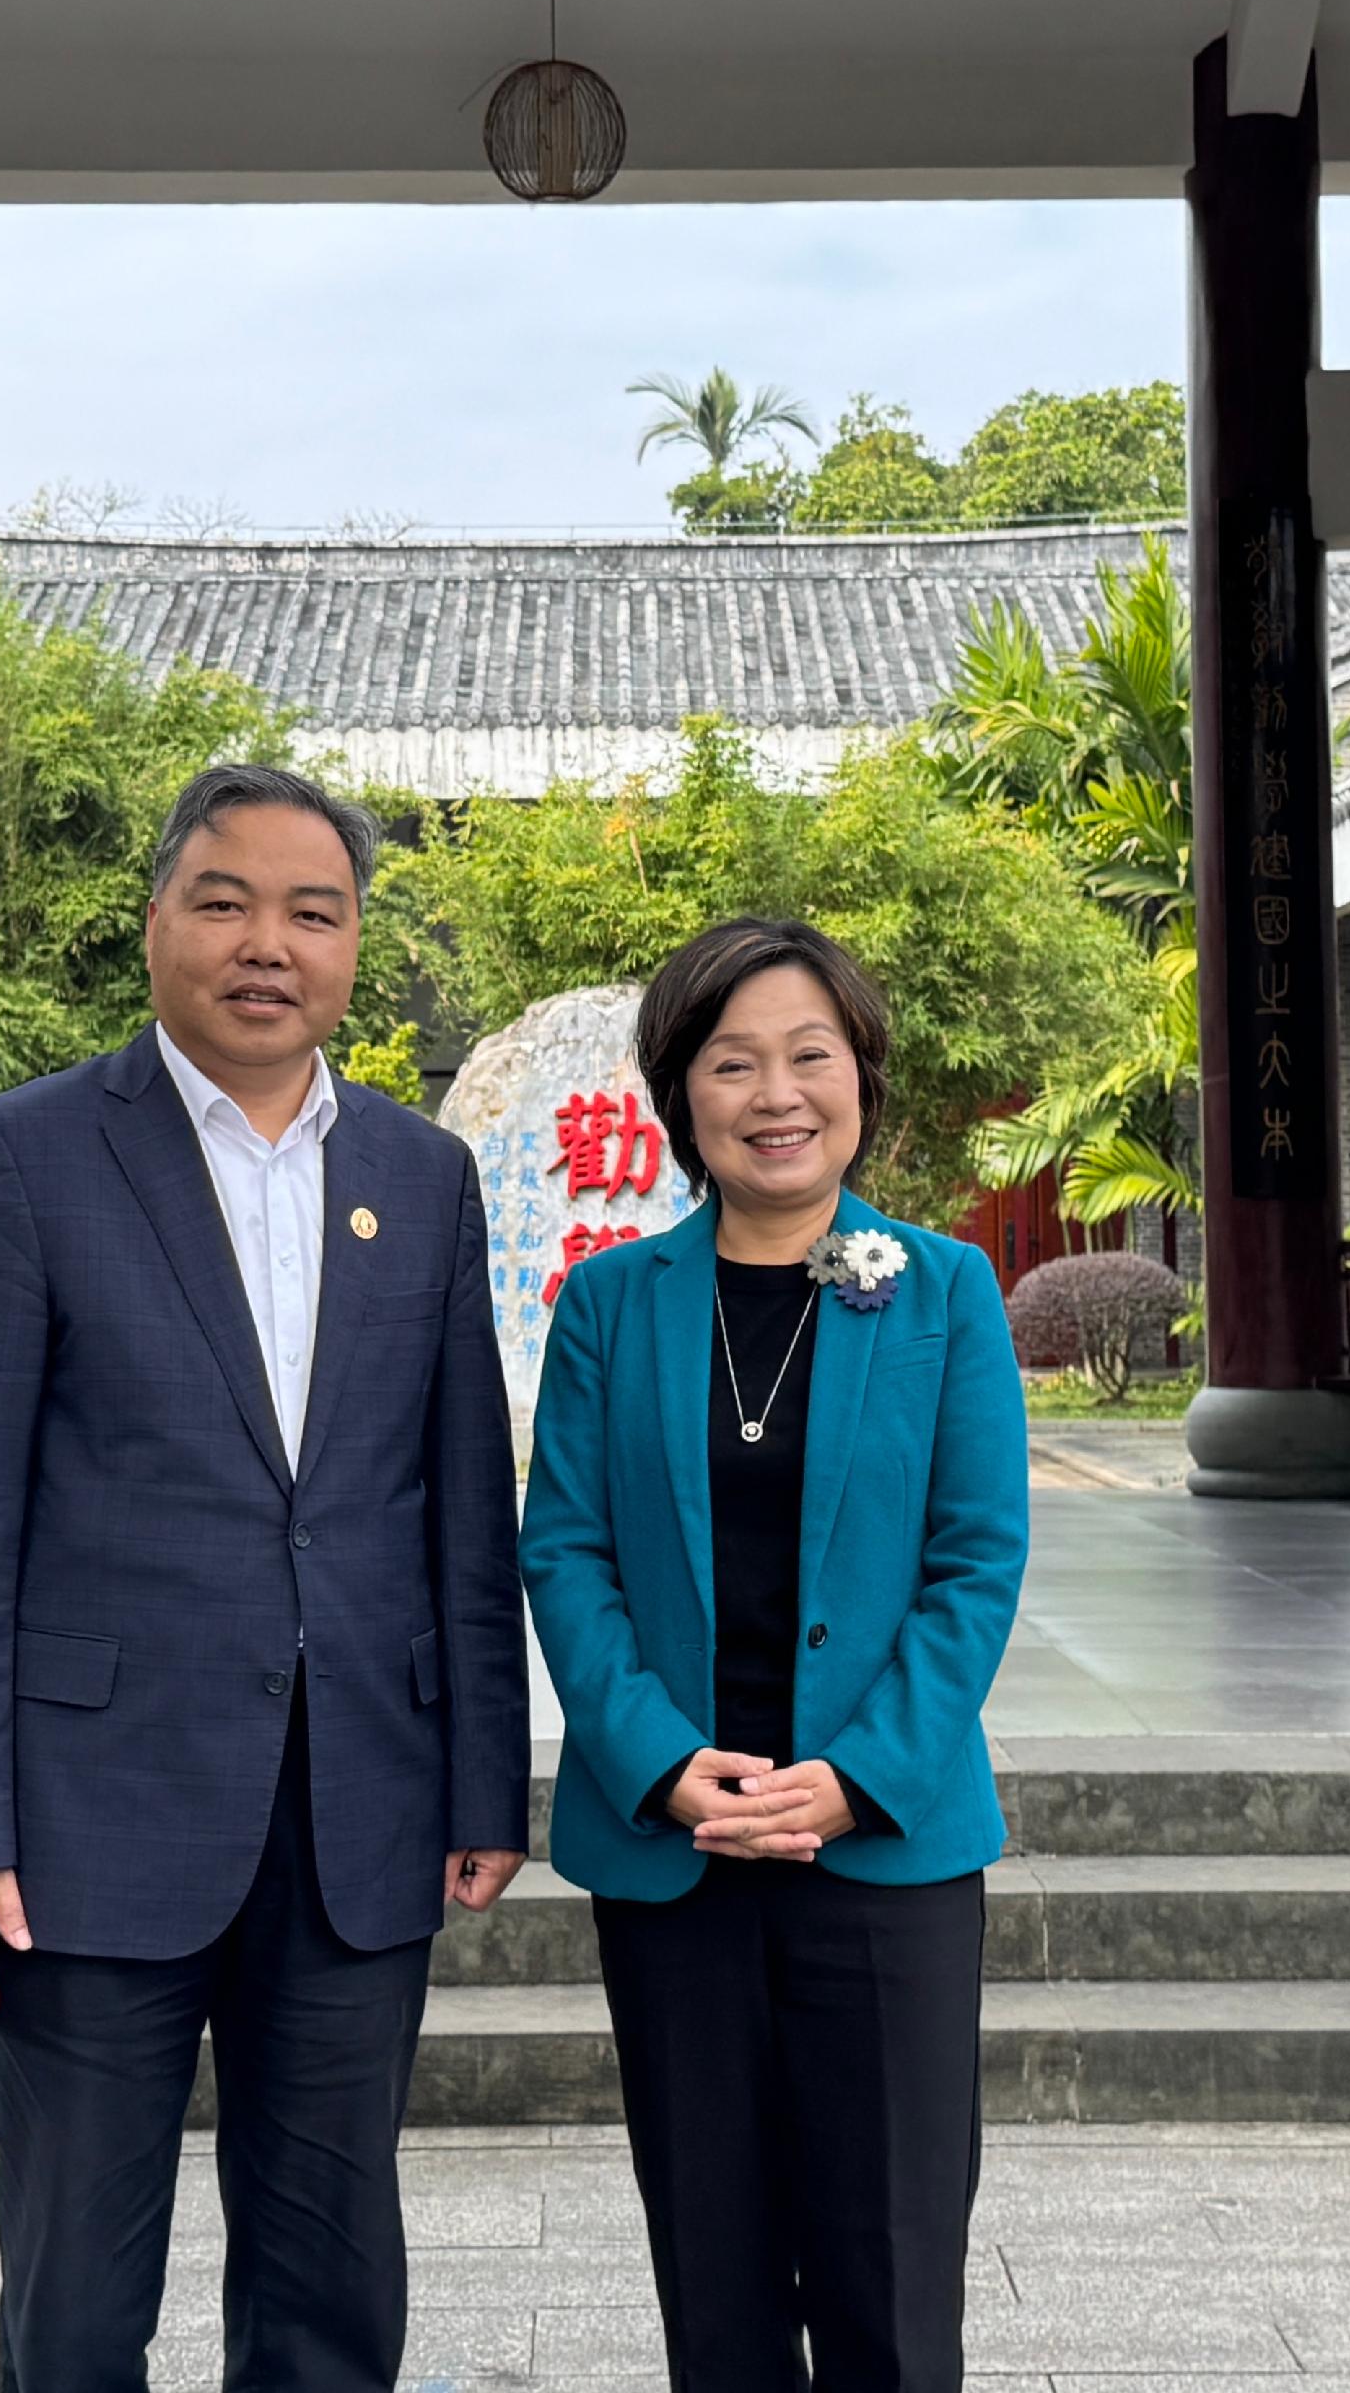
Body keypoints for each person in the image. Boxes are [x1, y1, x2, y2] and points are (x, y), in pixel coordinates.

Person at [0, 762, 529, 2393]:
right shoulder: (23, 1157)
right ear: (157, 920)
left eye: (311, 913)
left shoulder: (419, 1174)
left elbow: (457, 1504)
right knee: (82, 2304)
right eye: (224, 901)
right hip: (88, 1824)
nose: (268, 944)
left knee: (329, 2293)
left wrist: (481, 1780)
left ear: (354, 945)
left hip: (358, 1819)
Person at [520, 916, 1031, 2393]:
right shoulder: (614, 1304)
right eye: (732, 1061)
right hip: (676, 1860)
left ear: (861, 1077)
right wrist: (667, 1767)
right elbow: (566, 1550)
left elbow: (974, 1564)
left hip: (883, 1857)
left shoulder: (941, 1292)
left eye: (810, 1054)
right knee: (719, 2286)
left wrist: (856, 1777)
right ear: (680, 1096)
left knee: (891, 2281)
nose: (776, 1092)